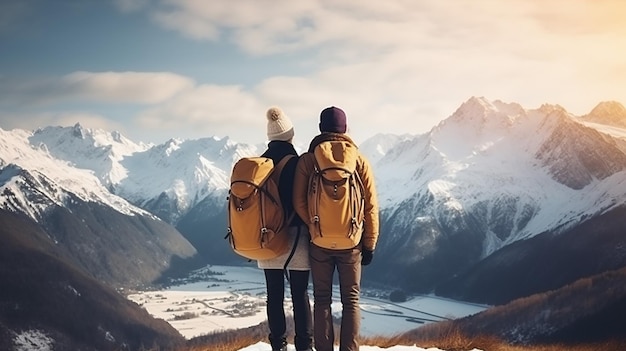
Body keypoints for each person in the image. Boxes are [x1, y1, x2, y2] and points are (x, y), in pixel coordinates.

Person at [293, 106, 379, 351]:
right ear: (345, 128)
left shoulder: (309, 160)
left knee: (322, 299)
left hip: (319, 242)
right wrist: (369, 243)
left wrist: (313, 224)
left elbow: (299, 200)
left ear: (321, 128)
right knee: (351, 301)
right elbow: (371, 205)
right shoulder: (359, 160)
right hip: (351, 242)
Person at [257, 106, 313, 351]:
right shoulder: (299, 163)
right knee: (299, 294)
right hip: (296, 236)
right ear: (291, 135)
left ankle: (278, 345)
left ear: (270, 138)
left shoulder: (258, 164)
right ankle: (304, 345)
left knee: (274, 294)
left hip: (267, 237)